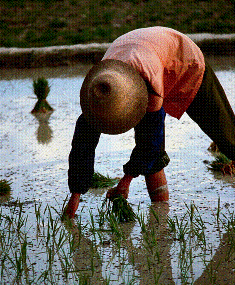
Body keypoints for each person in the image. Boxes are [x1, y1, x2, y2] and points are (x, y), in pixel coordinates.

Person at [64, 26, 235, 219]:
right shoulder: (100, 88)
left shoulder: (150, 82)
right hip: (141, 52)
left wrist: (125, 183)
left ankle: (160, 215)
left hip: (183, 59)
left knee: (227, 134)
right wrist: (75, 195)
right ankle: (161, 216)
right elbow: (82, 146)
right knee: (151, 148)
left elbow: (149, 144)